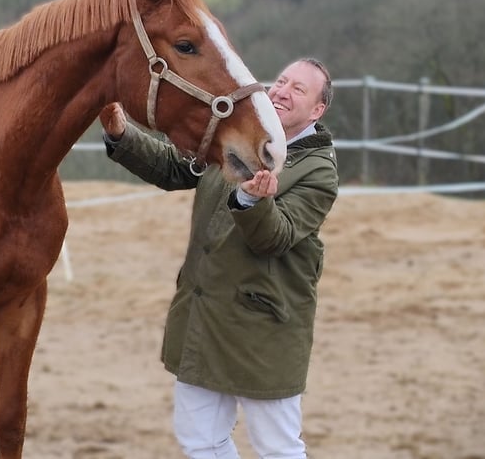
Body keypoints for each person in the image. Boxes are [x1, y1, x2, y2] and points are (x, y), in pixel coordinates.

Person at [100, 57, 338, 459]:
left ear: (317, 110)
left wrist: (251, 200)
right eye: (280, 80)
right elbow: (176, 168)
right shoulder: (237, 132)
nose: (282, 91)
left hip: (264, 331)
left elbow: (275, 238)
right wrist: (122, 134)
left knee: (279, 449)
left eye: (299, 89)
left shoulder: (319, 171)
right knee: (200, 441)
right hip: (203, 319)